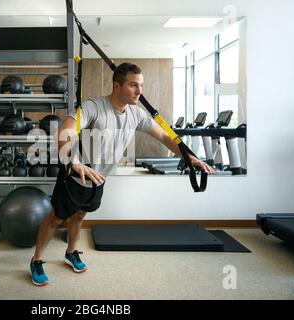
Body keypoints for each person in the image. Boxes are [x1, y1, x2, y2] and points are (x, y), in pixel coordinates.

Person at [29, 62, 214, 286]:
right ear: (117, 85)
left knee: (80, 215)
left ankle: (71, 251)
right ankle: (37, 260)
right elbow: (64, 131)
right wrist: (75, 162)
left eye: (141, 86)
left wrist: (187, 156)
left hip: (99, 177)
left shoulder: (136, 114)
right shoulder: (93, 107)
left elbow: (165, 137)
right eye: (133, 85)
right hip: (75, 174)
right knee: (56, 218)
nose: (139, 91)